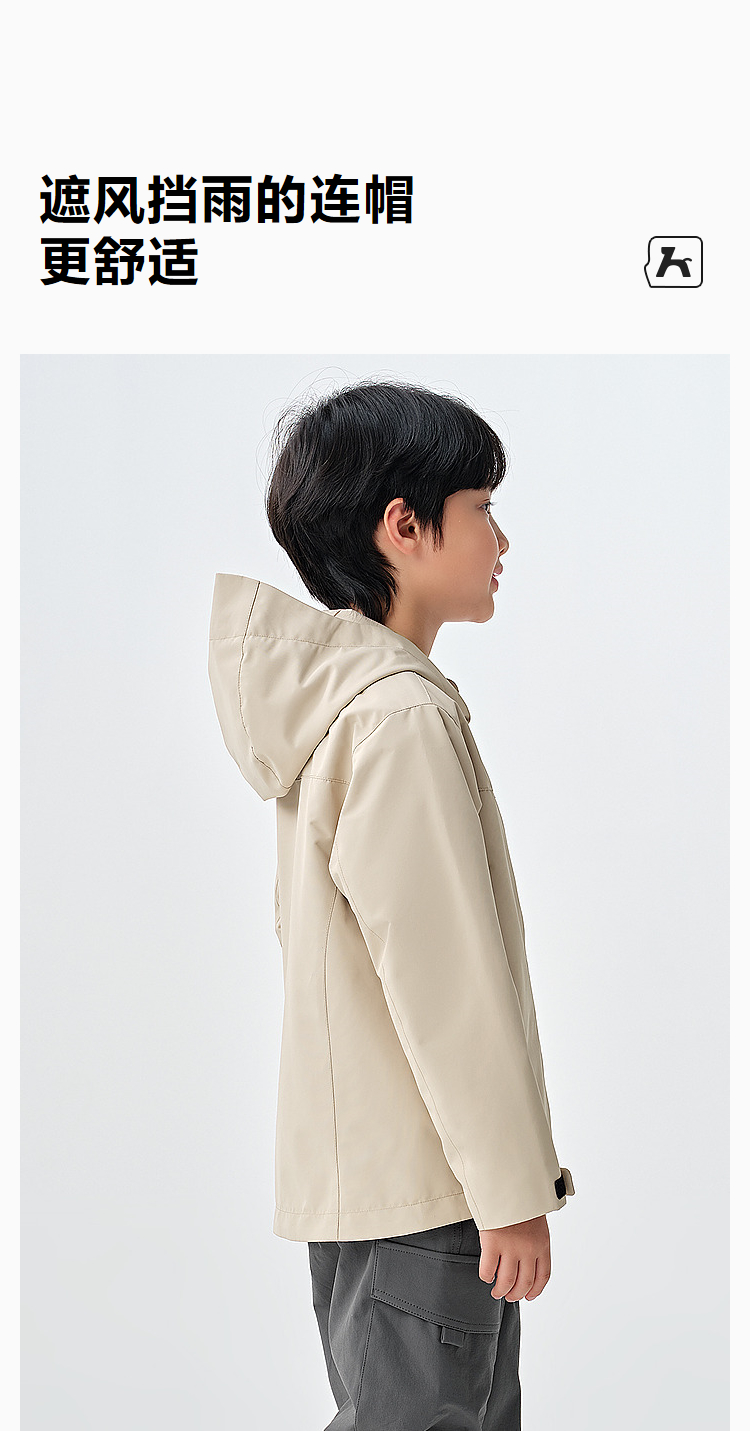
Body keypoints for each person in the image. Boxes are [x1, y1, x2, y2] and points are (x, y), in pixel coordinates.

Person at [207, 379, 575, 1430]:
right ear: (403, 526)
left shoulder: (341, 710)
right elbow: (442, 980)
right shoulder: (398, 717)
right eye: (482, 507)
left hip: (380, 1187)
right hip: (432, 1191)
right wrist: (511, 1188)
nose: (502, 538)